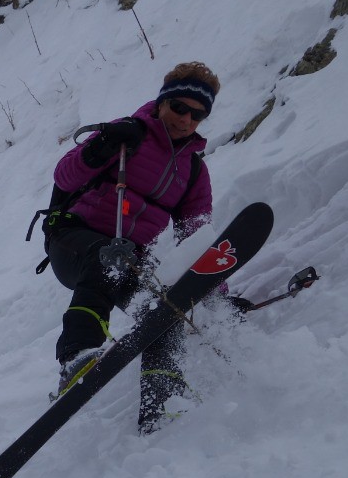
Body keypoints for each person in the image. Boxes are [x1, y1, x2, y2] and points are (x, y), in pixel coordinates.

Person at [43, 61, 234, 434]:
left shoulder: (193, 171)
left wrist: (217, 293)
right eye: (179, 107)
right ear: (162, 102)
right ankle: (76, 358)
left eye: (197, 115)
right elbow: (64, 176)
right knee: (107, 257)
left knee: (165, 307)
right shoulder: (128, 135)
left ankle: (162, 393)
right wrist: (103, 146)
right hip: (72, 240)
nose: (185, 120)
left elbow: (195, 233)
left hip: (127, 255)